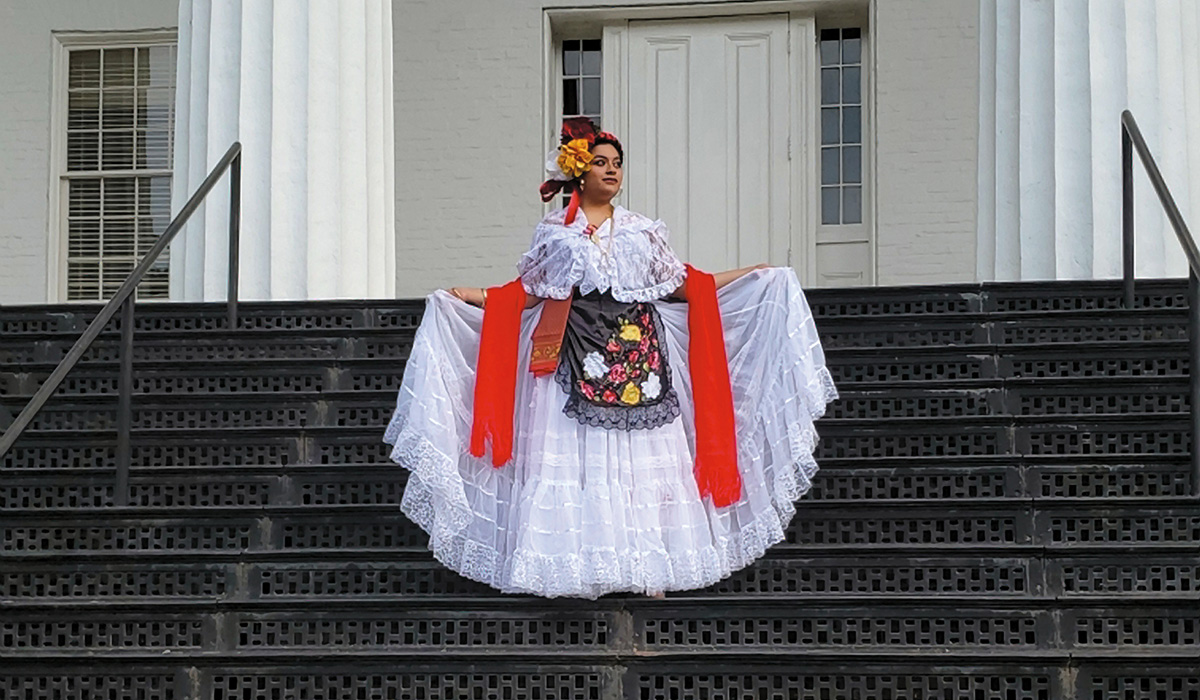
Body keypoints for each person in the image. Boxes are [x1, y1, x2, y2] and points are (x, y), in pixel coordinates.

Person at [383, 117, 837, 599]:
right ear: (578, 171)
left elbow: (686, 284)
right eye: (601, 162)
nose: (612, 170)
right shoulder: (556, 233)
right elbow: (530, 292)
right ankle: (574, 565)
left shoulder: (641, 231)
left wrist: (751, 274)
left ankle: (649, 568)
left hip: (636, 354)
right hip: (570, 357)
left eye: (617, 163)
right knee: (577, 461)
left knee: (639, 463)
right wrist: (476, 297)